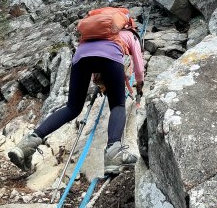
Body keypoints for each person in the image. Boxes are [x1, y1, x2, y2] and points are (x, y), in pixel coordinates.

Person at [8, 26, 145, 174]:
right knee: (118, 105)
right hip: (110, 58)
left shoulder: (98, 32)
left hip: (80, 58)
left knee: (72, 107)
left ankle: (27, 143)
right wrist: (139, 85)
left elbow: (95, 56)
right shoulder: (132, 36)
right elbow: (138, 66)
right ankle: (114, 153)